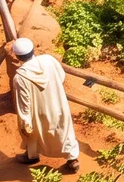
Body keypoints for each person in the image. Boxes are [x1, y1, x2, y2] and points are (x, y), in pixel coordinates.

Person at [8, 37, 79, 173]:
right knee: (64, 130)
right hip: (58, 104)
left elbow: (24, 103)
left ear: (17, 56)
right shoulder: (48, 60)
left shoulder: (20, 77)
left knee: (33, 133)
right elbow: (61, 76)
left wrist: (25, 121)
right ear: (33, 50)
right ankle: (73, 160)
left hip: (38, 112)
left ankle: (32, 155)